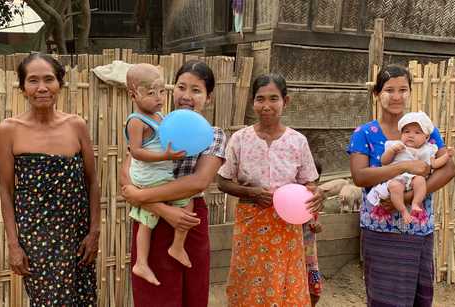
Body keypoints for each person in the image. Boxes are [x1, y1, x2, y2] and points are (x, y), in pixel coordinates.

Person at [120, 59, 226, 307]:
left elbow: (197, 182)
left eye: (196, 90)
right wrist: (161, 209)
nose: (187, 96)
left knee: (192, 293)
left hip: (188, 220)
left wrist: (142, 197)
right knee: (154, 296)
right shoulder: (156, 126)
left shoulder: (214, 134)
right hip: (152, 217)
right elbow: (127, 174)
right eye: (181, 87)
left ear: (208, 97)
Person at [0, 53, 100, 305]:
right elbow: (5, 189)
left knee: (82, 299)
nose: (41, 88)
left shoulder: (76, 125)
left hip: (77, 236)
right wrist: (14, 244)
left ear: (59, 84)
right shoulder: (8, 130)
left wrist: (94, 232)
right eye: (33, 81)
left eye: (48, 79)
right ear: (22, 88)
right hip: (36, 239)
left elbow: (92, 181)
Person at [348, 64, 455, 306]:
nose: (396, 96)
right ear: (377, 94)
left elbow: (448, 169)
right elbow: (360, 177)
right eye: (389, 90)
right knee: (384, 297)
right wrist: (404, 167)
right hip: (379, 228)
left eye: (403, 90)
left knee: (419, 297)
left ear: (410, 92)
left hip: (418, 228)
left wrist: (407, 199)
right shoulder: (365, 133)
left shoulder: (427, 131)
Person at [217, 73, 324, 306]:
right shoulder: (240, 139)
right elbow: (222, 182)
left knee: (284, 283)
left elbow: (309, 184)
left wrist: (316, 197)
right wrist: (251, 193)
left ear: (286, 101)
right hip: (250, 225)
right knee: (249, 282)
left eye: (273, 99)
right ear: (253, 102)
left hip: (287, 227)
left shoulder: (297, 141)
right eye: (260, 99)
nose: (266, 106)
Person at [124, 63, 192, 286]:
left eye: (162, 91)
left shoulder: (160, 116)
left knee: (150, 217)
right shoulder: (136, 121)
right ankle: (166, 251)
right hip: (149, 177)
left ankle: (156, 256)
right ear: (134, 94)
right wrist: (166, 156)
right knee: (182, 204)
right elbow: (136, 152)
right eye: (151, 92)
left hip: (159, 174)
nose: (159, 97)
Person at [365, 111, 452, 226]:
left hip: (414, 179)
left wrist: (447, 156)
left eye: (417, 132)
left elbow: (435, 164)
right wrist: (392, 151)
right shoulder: (395, 145)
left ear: (426, 137)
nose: (411, 135)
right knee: (394, 186)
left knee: (420, 181)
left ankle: (415, 203)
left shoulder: (428, 149)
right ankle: (403, 210)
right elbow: (384, 161)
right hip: (397, 178)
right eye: (406, 132)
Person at [305, 160, 326, 306]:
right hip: (291, 254)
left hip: (310, 255)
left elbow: (316, 223)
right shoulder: (291, 196)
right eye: (306, 180)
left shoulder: (314, 199)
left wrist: (317, 227)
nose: (310, 185)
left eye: (315, 180)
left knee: (314, 291)